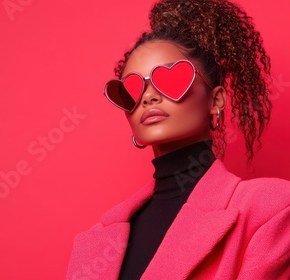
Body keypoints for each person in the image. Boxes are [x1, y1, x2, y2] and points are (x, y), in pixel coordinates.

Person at [66, 0, 290, 279]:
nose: (148, 96)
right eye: (131, 90)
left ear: (216, 100)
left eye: (170, 80)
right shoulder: (94, 241)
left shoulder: (270, 209)